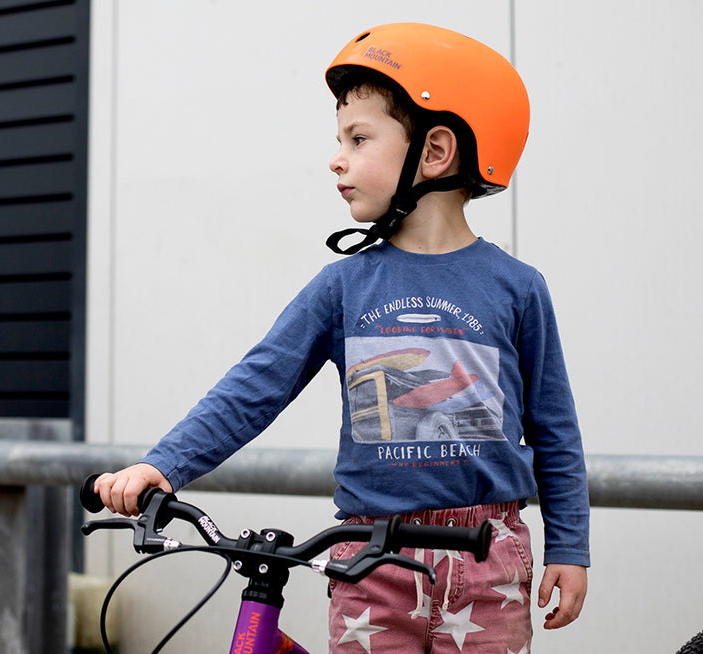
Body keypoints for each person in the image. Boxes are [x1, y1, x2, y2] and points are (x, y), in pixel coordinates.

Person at [93, 22, 589, 652]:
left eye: (358, 139)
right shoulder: (342, 287)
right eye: (340, 140)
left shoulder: (517, 287)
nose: (337, 158)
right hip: (368, 560)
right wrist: (164, 463)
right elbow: (256, 386)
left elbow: (554, 427)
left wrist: (570, 545)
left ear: (434, 153)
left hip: (489, 559)